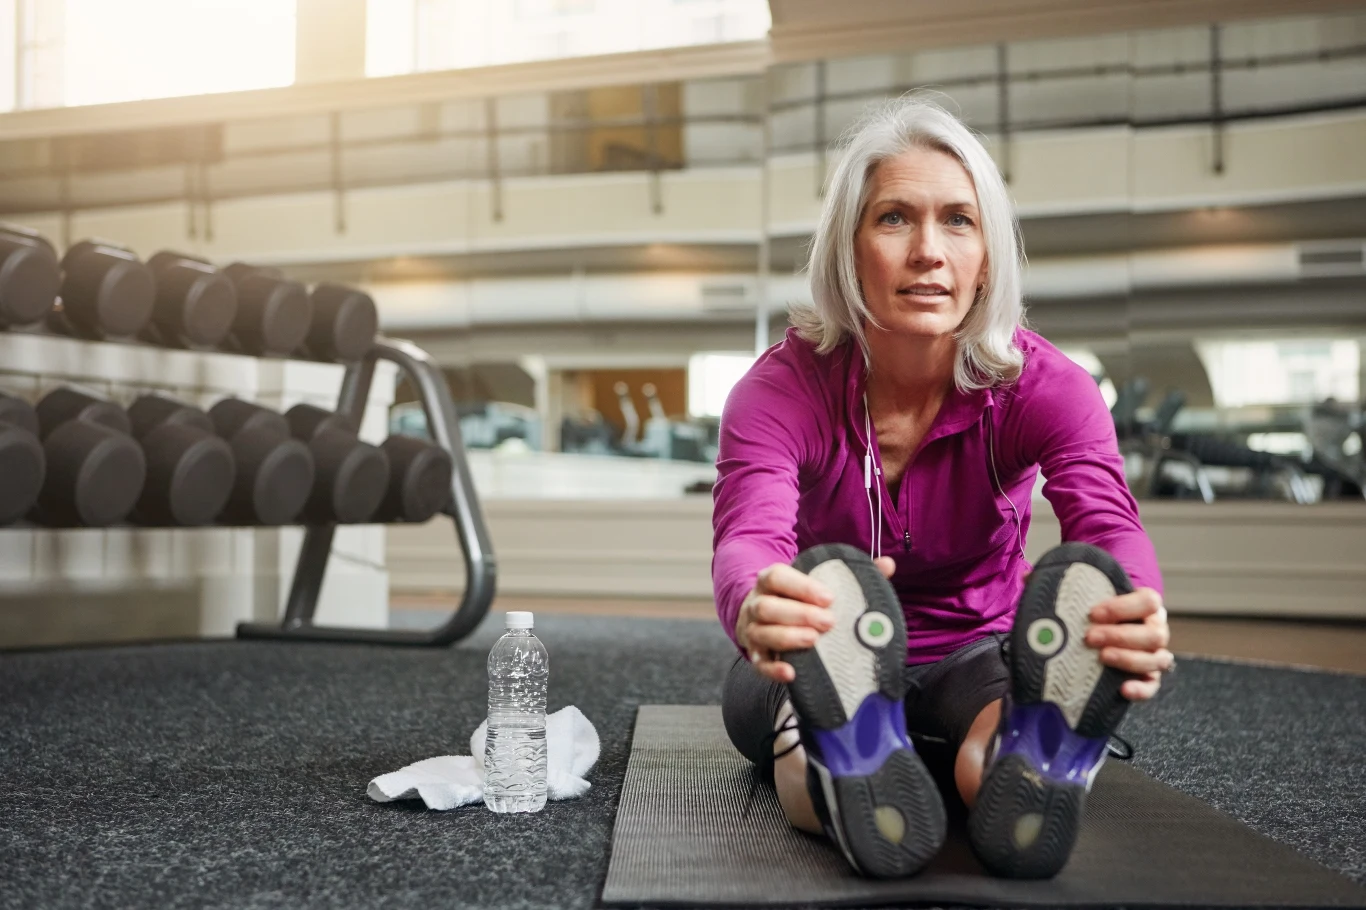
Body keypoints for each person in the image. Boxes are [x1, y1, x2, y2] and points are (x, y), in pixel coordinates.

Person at [712, 95, 1172, 880]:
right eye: (895, 218)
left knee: (990, 754)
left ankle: (1026, 760)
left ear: (987, 254)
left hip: (982, 648)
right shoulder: (780, 390)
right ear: (849, 249)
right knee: (794, 707)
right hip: (827, 646)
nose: (929, 250)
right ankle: (840, 759)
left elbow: (1105, 523)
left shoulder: (1045, 387)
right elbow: (750, 532)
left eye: (958, 220)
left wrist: (1134, 607)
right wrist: (761, 600)